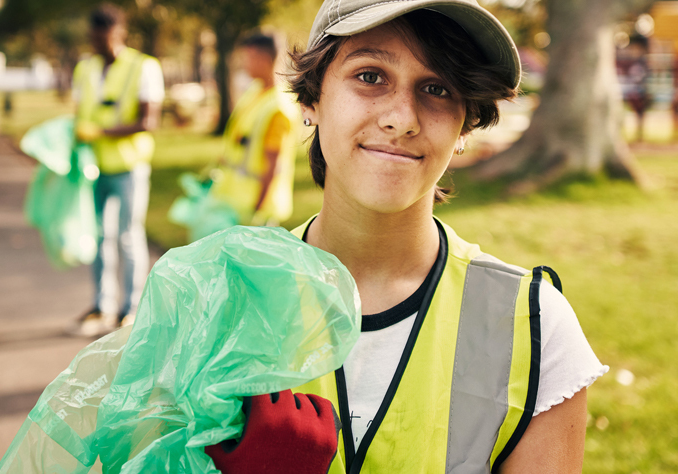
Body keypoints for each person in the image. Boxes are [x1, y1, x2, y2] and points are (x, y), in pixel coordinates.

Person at [204, 0, 608, 472]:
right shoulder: (220, 299)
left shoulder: (535, 329)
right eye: (370, 76)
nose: (403, 118)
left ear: (466, 124)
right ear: (311, 99)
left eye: (437, 88)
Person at [70, 3, 164, 337]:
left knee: (128, 236)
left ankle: (132, 309)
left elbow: (148, 121)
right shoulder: (85, 68)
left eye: (104, 38)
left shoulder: (143, 66)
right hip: (93, 168)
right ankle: (102, 305)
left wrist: (101, 132)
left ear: (119, 33)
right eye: (94, 38)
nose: (99, 44)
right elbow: (79, 113)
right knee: (98, 236)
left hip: (129, 166)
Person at [209, 33, 301, 226]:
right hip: (237, 203)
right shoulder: (254, 91)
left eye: (248, 58)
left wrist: (257, 210)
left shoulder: (278, 107)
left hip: (257, 210)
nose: (244, 64)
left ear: (264, 59)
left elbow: (273, 164)